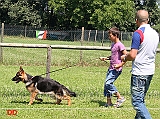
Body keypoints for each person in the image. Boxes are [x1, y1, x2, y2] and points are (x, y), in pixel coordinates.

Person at [121, 10, 159, 119]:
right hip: (150, 71)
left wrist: (124, 57)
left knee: (137, 102)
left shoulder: (138, 33)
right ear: (148, 20)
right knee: (141, 100)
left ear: (136, 20)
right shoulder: (155, 34)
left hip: (139, 72)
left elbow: (133, 55)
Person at [99, 27, 128, 108]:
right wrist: (106, 58)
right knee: (106, 85)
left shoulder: (120, 45)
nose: (109, 37)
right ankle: (109, 102)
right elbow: (114, 56)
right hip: (111, 68)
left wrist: (120, 65)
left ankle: (120, 97)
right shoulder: (113, 45)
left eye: (110, 35)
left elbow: (127, 56)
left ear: (115, 35)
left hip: (116, 69)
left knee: (108, 83)